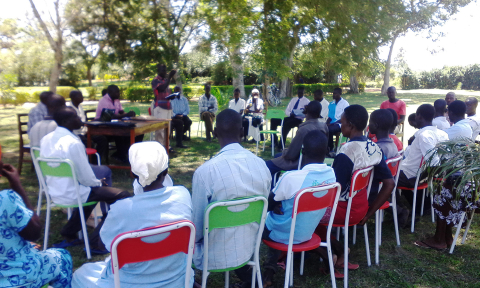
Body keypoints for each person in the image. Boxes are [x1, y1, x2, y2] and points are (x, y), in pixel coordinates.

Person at [72, 142, 193, 288]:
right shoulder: (183, 195)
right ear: (166, 171)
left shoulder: (121, 209)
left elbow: (104, 244)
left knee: (81, 273)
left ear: (133, 172)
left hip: (129, 283)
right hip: (176, 281)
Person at [191, 109, 271, 287]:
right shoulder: (262, 166)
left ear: (214, 133)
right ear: (242, 132)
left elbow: (196, 230)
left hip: (212, 255)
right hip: (248, 247)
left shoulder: (205, 173)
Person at [315, 105, 394, 275]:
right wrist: (369, 213)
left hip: (343, 210)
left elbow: (334, 191)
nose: (340, 126)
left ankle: (330, 253)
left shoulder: (347, 151)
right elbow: (390, 183)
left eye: (342, 122)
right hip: (360, 208)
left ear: (350, 125)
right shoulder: (374, 147)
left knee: (305, 212)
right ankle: (339, 250)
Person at [41, 107, 131, 253]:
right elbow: (86, 176)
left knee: (96, 192)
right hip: (74, 192)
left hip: (54, 191)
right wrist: (98, 182)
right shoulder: (73, 143)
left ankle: (69, 232)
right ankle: (96, 242)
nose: (80, 119)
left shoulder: (46, 139)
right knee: (123, 196)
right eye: (75, 117)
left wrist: (95, 184)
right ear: (65, 121)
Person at [262, 130, 336, 286]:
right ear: (327, 152)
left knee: (265, 221)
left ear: (302, 151)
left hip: (283, 234)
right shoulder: (331, 175)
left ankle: (265, 273)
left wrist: (275, 204)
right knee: (279, 220)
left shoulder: (292, 178)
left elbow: (267, 204)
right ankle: (325, 254)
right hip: (308, 232)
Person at [0, 157, 73, 288]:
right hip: (20, 278)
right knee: (62, 256)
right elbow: (34, 233)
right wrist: (17, 185)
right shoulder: (5, 200)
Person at [397, 104, 449, 219]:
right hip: (419, 173)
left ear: (419, 116)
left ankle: (399, 211)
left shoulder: (424, 136)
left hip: (411, 174)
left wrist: (420, 179)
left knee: (384, 177)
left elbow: (434, 163)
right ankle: (422, 205)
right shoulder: (443, 134)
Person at [265, 101, 328, 182]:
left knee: (268, 165)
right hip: (317, 161)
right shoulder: (324, 127)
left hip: (301, 162)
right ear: (319, 114)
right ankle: (276, 183)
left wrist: (285, 151)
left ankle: (273, 190)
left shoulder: (303, 129)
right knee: (277, 155)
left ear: (306, 112)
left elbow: (291, 155)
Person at [95, 85, 141, 163]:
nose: (118, 94)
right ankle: (121, 155)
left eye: (118, 92)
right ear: (109, 92)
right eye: (116, 92)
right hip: (102, 127)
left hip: (114, 125)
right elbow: (111, 116)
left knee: (138, 133)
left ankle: (122, 153)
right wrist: (125, 115)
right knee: (120, 134)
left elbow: (121, 111)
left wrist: (129, 114)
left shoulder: (116, 100)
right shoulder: (103, 101)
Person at [367, 109, 400, 204]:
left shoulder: (378, 149)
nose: (369, 125)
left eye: (370, 122)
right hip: (384, 186)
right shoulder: (392, 144)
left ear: (376, 126)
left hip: (374, 190)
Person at [68, 90, 108, 159]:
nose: (82, 97)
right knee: (89, 143)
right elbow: (74, 124)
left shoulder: (80, 106)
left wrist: (93, 121)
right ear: (73, 97)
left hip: (85, 131)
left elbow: (84, 120)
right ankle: (89, 160)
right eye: (80, 96)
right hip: (76, 133)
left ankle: (96, 159)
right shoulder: (69, 108)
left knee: (102, 139)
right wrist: (87, 123)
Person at [151, 64, 177, 146]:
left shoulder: (165, 80)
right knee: (160, 130)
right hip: (160, 107)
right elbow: (161, 89)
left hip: (168, 107)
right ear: (158, 71)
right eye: (163, 70)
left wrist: (172, 96)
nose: (165, 72)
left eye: (165, 70)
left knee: (167, 129)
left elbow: (166, 93)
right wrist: (170, 77)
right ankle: (159, 148)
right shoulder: (155, 80)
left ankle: (166, 147)